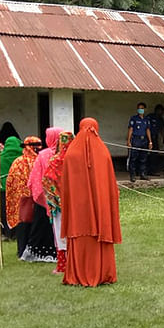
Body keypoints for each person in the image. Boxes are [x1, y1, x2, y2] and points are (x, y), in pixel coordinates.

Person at [62, 118, 122, 286]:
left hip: (78, 212)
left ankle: (78, 274)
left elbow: (65, 186)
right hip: (100, 209)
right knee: (99, 235)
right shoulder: (103, 153)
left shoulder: (71, 154)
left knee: (80, 233)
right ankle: (103, 273)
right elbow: (110, 185)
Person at [23, 127, 61, 263]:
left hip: (44, 195)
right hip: (61, 196)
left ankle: (39, 252)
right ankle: (60, 251)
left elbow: (35, 176)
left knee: (41, 225)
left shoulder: (43, 155)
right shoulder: (64, 153)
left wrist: (36, 190)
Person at [43, 131, 74, 274]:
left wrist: (54, 198)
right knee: (74, 233)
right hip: (75, 204)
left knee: (61, 234)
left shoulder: (54, 161)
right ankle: (76, 264)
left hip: (58, 205)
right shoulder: (78, 161)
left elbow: (47, 181)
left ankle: (62, 266)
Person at [6, 136, 42, 257]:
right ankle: (23, 251)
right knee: (26, 224)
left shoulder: (19, 162)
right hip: (28, 199)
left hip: (26, 199)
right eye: (35, 145)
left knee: (26, 224)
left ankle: (25, 251)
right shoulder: (22, 162)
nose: (38, 148)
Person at [0, 136, 23, 239]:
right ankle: (17, 233)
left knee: (3, 212)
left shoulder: (1, 158)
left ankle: (5, 233)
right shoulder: (22, 156)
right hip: (18, 190)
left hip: (3, 191)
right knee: (18, 211)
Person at [127, 102, 153, 181]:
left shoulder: (146, 119)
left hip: (144, 140)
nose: (140, 110)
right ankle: (133, 175)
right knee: (133, 158)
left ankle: (143, 174)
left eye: (142, 108)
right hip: (135, 139)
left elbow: (148, 130)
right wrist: (128, 141)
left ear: (145, 109)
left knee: (143, 158)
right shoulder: (134, 118)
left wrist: (150, 141)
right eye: (139, 108)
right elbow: (130, 129)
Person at [146, 104, 164, 175]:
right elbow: (146, 128)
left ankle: (152, 170)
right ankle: (145, 171)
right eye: (162, 111)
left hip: (155, 137)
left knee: (154, 154)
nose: (162, 112)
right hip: (147, 138)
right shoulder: (150, 116)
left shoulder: (160, 119)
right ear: (158, 110)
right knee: (146, 153)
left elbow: (162, 130)